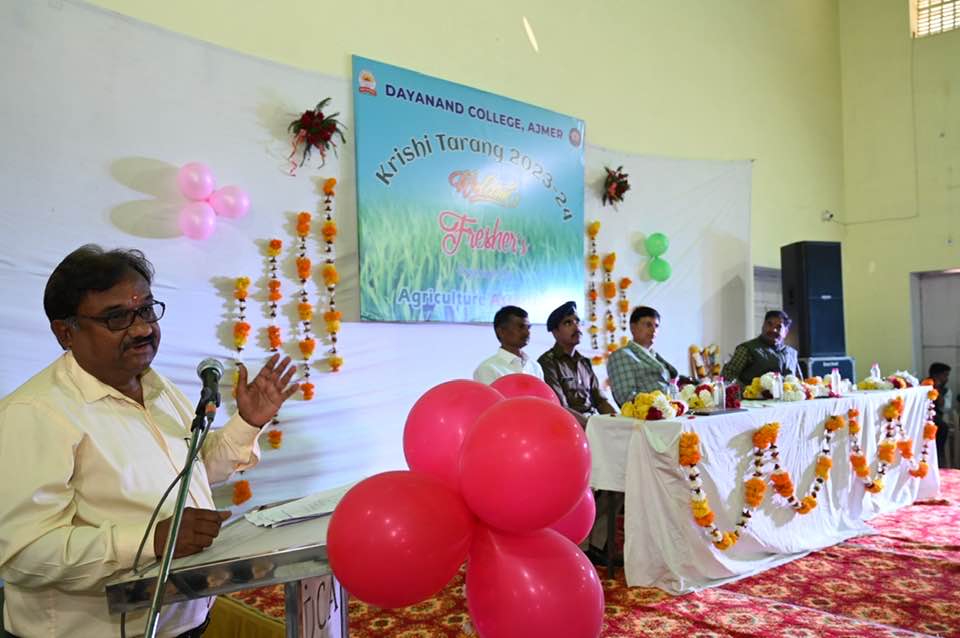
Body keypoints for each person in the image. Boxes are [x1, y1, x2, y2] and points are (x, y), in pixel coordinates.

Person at [0, 245, 300, 638]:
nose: (142, 328)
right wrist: (153, 541)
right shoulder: (34, 413)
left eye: (145, 310)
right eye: (116, 317)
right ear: (66, 332)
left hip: (183, 623)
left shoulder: (157, 388)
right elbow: (22, 553)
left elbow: (189, 474)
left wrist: (248, 421)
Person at [537, 301, 617, 428]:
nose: (576, 327)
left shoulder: (584, 362)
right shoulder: (547, 363)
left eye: (577, 322)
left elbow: (601, 401)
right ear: (555, 332)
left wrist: (618, 421)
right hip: (568, 428)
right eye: (568, 323)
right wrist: (593, 427)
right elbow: (560, 408)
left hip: (593, 423)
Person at [606, 306, 681, 407]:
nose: (654, 330)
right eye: (648, 325)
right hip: (648, 414)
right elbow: (627, 399)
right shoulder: (621, 355)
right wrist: (660, 408)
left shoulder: (655, 356)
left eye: (656, 326)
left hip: (671, 410)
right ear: (633, 328)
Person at [722, 309, 801, 387]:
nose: (773, 330)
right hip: (752, 395)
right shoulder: (747, 349)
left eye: (779, 327)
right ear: (763, 326)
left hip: (788, 395)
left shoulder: (792, 353)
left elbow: (799, 382)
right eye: (769, 324)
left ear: (785, 332)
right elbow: (726, 378)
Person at [473, 305, 544, 384]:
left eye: (528, 327)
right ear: (501, 331)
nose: (527, 332)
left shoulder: (535, 367)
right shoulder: (487, 369)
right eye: (521, 327)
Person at [929, 362, 952, 466]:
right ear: (935, 375)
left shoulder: (946, 391)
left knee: (943, 427)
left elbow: (945, 407)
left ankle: (939, 456)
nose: (947, 379)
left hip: (935, 417)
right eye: (945, 375)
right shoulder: (923, 386)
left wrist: (937, 390)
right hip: (922, 417)